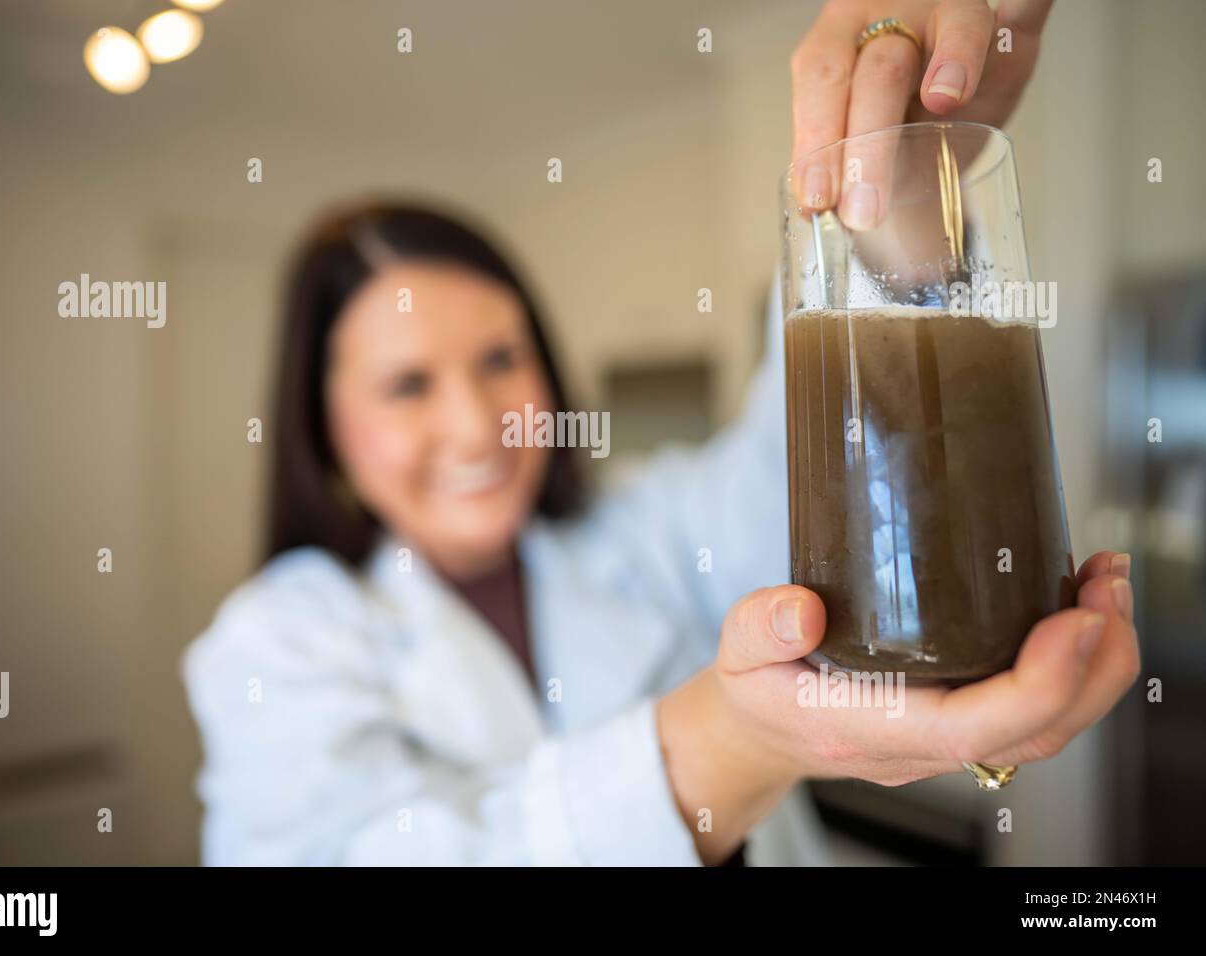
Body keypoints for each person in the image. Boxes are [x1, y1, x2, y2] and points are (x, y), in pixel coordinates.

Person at [182, 0, 1139, 866]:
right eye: (406, 385)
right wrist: (739, 738)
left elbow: (826, 468)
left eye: (499, 361)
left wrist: (897, 180)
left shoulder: (646, 522)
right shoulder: (275, 649)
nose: (478, 421)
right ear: (325, 425)